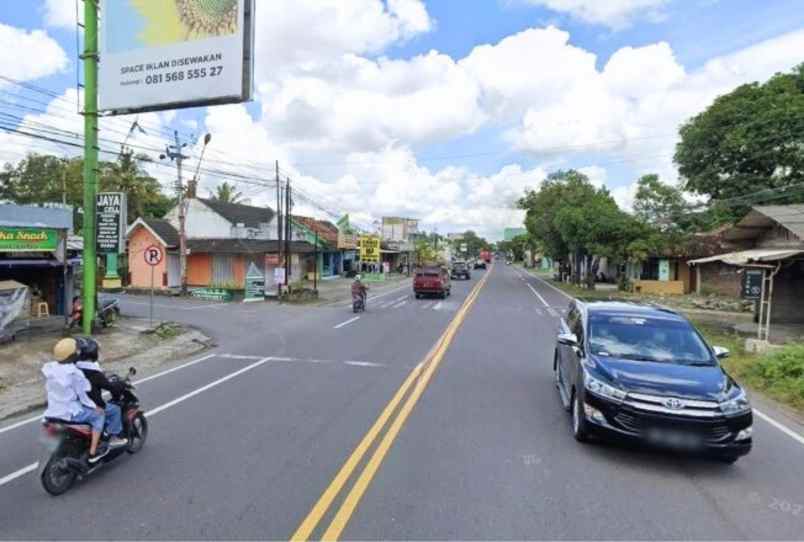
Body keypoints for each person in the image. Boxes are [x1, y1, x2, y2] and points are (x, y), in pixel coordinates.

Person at [42, 338, 118, 464]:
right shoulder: (75, 373)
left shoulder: (50, 369)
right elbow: (83, 396)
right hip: (69, 412)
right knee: (99, 415)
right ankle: (94, 452)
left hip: (53, 411)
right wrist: (95, 407)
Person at [74, 337, 127, 450]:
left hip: (73, 407)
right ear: (93, 353)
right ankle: (114, 438)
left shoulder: (73, 369)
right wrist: (121, 385)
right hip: (91, 407)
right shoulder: (95, 373)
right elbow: (111, 387)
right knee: (115, 410)